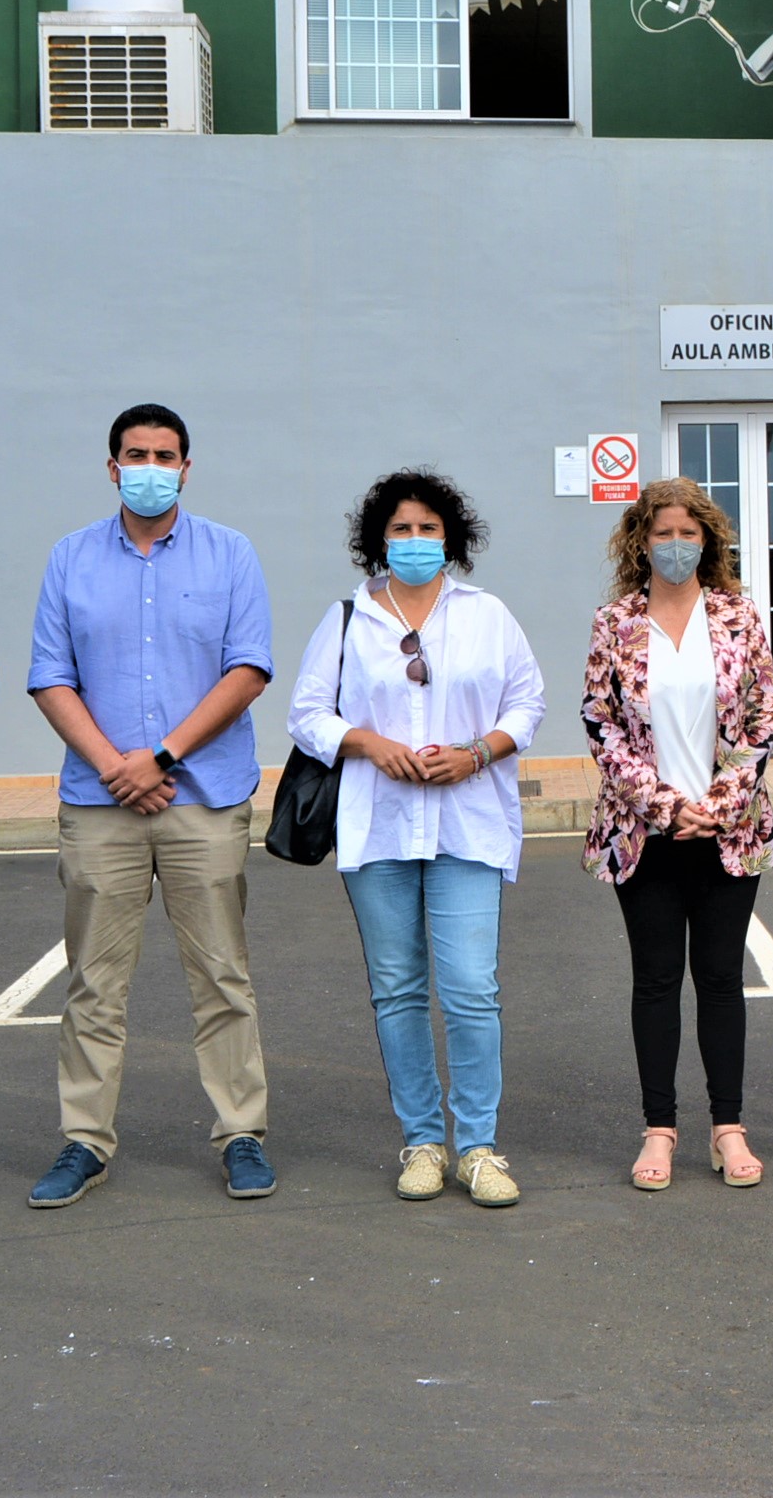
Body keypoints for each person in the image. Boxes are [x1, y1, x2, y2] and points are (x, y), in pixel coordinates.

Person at [25, 403, 277, 1209]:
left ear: (186, 469)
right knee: (93, 985)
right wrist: (115, 768)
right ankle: (84, 1141)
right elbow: (50, 676)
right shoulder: (70, 558)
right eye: (136, 455)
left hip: (204, 799)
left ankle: (241, 1133)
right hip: (101, 805)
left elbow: (248, 669)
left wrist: (160, 757)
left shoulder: (230, 553)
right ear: (112, 468)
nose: (150, 468)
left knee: (222, 977)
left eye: (165, 456)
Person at [288, 468, 546, 1208]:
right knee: (398, 991)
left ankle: (479, 1148)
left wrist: (478, 753)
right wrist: (366, 742)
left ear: (450, 537)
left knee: (471, 991)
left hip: (469, 822)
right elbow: (307, 713)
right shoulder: (347, 619)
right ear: (378, 539)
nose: (414, 540)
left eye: (428, 528)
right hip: (380, 827)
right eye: (400, 529)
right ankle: (424, 1143)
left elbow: (528, 701)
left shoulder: (487, 614)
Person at [580, 478, 773, 1192]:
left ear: (708, 540)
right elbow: (601, 723)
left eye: (687, 533)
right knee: (657, 978)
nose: (675, 545)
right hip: (644, 832)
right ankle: (659, 1129)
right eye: (662, 533)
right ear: (642, 541)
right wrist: (666, 806)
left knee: (722, 979)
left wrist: (721, 801)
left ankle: (728, 1128)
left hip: (729, 829)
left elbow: (763, 715)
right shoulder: (615, 622)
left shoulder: (737, 615)